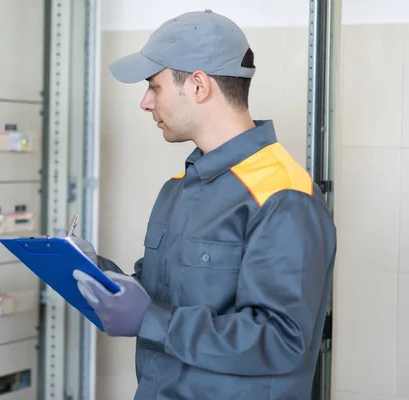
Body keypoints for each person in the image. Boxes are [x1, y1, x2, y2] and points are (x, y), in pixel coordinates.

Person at [59, 9, 337, 399]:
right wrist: (93, 272)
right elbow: (162, 294)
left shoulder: (282, 194)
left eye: (154, 86)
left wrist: (149, 320)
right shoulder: (180, 188)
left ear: (198, 85)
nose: (144, 102)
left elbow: (281, 340)